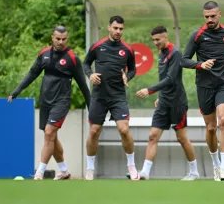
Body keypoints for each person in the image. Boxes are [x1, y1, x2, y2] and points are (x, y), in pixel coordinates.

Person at [8, 26, 91, 180]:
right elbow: (32, 74)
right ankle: (64, 170)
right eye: (58, 39)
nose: (61, 42)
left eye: (64, 39)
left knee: (49, 133)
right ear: (52, 37)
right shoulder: (44, 54)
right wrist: (16, 91)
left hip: (62, 101)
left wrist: (91, 110)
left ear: (67, 38)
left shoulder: (72, 58)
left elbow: (83, 87)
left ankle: (39, 172)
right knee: (52, 137)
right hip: (46, 101)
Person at [181, 1, 224, 181]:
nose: (210, 20)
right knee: (211, 128)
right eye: (206, 17)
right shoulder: (197, 35)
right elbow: (184, 60)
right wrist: (200, 64)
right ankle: (215, 164)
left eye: (213, 16)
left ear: (220, 14)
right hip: (204, 86)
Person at [135, 26, 199, 181]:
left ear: (165, 37)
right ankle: (145, 173)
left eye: (158, 39)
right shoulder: (161, 53)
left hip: (177, 103)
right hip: (164, 102)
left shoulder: (175, 53)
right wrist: (161, 96)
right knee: (153, 136)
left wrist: (149, 91)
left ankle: (194, 172)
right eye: (153, 40)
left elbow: (171, 79)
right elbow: (163, 78)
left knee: (182, 138)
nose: (155, 43)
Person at [83, 15, 139, 180]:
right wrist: (90, 75)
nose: (118, 31)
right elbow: (85, 63)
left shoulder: (127, 49)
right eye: (115, 28)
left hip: (117, 96)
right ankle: (90, 168)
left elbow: (133, 69)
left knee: (124, 129)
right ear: (108, 28)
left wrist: (127, 77)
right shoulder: (98, 46)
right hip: (99, 96)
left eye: (121, 29)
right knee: (94, 131)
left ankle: (131, 166)